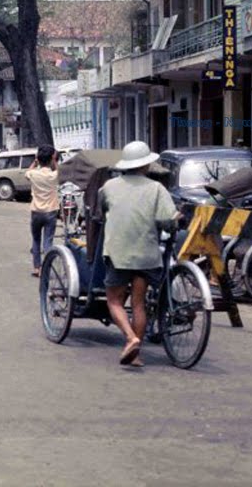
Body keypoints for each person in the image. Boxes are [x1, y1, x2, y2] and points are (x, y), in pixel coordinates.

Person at [99, 141, 180, 368]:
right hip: (146, 253)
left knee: (114, 301)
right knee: (139, 304)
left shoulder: (109, 187)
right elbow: (167, 220)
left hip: (118, 253)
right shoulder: (157, 189)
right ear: (146, 165)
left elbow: (101, 211)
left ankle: (130, 338)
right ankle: (136, 354)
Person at [25, 144, 59, 277]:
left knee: (36, 240)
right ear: (51, 159)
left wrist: (35, 161)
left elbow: (27, 172)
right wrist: (54, 161)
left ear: (38, 159)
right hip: (51, 211)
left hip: (36, 211)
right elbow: (59, 171)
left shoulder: (33, 174)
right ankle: (46, 267)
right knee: (48, 241)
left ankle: (36, 268)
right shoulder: (54, 175)